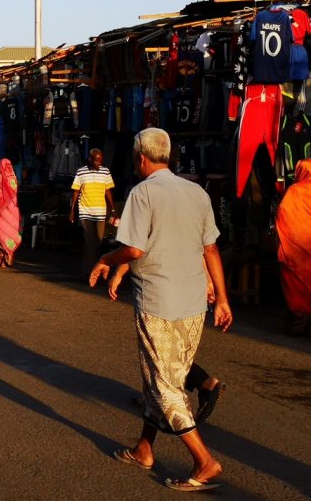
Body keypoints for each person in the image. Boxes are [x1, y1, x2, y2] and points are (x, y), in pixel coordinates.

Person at [89, 128, 232, 492]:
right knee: (163, 375)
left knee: (165, 385)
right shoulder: (195, 192)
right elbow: (211, 250)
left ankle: (204, 462)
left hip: (159, 303)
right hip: (194, 304)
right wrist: (224, 300)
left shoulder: (143, 193)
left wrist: (107, 258)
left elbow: (134, 249)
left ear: (140, 157)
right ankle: (144, 448)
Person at [109, 261, 227, 424]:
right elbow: (203, 248)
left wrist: (115, 269)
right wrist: (208, 281)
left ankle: (200, 385)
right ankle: (154, 395)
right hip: (190, 285)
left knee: (157, 348)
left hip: (163, 285)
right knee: (172, 345)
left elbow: (135, 248)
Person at [275, 158, 311, 335]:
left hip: (292, 252)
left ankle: (299, 320)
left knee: (294, 286)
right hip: (307, 250)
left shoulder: (294, 191)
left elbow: (282, 215)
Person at [70, 148, 115, 277]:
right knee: (90, 240)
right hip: (85, 211)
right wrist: (72, 210)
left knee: (99, 241)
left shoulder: (105, 172)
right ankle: (86, 270)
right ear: (90, 159)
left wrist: (112, 208)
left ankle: (96, 268)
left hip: (100, 211)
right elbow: (76, 192)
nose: (98, 164)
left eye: (100, 161)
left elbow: (108, 191)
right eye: (96, 161)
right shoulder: (81, 172)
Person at [0, 158, 21, 268]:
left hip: (0, 212)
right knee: (10, 233)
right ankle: (7, 255)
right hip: (13, 212)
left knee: (0, 233)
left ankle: (3, 255)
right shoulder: (14, 179)